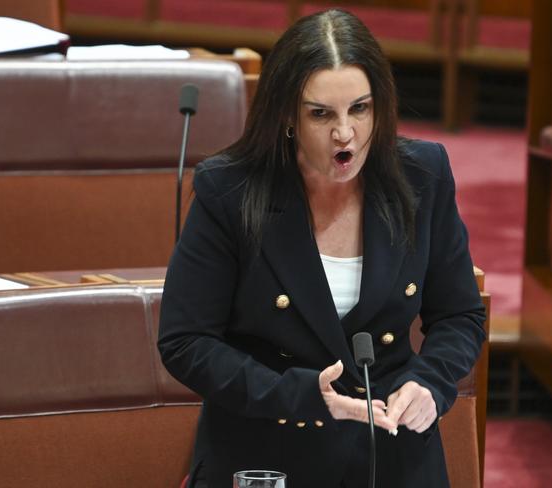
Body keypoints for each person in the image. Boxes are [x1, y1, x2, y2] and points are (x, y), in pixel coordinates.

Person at [158, 8, 486, 488]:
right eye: (321, 114)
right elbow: (184, 341)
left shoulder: (423, 175)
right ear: (288, 113)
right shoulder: (230, 192)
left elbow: (460, 314)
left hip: (392, 457)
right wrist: (297, 395)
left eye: (360, 108)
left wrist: (431, 382)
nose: (345, 133)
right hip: (267, 452)